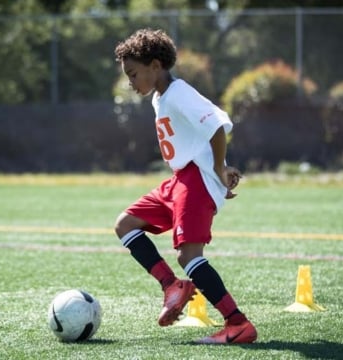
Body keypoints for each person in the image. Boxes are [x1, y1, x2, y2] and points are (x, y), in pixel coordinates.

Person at [113, 28, 257, 344]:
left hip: (196, 181)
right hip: (180, 180)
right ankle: (171, 287)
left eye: (133, 74)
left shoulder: (178, 93)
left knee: (189, 255)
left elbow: (217, 125)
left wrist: (219, 169)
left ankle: (238, 324)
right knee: (125, 224)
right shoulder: (159, 97)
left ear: (155, 65)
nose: (130, 82)